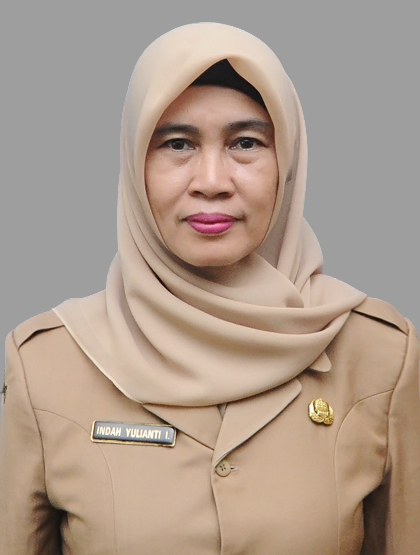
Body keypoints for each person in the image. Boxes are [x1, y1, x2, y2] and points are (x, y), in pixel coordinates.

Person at [0, 22, 419, 555]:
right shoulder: (47, 365)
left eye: (246, 143)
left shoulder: (379, 355)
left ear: (286, 164)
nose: (213, 181)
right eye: (177, 144)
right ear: (134, 163)